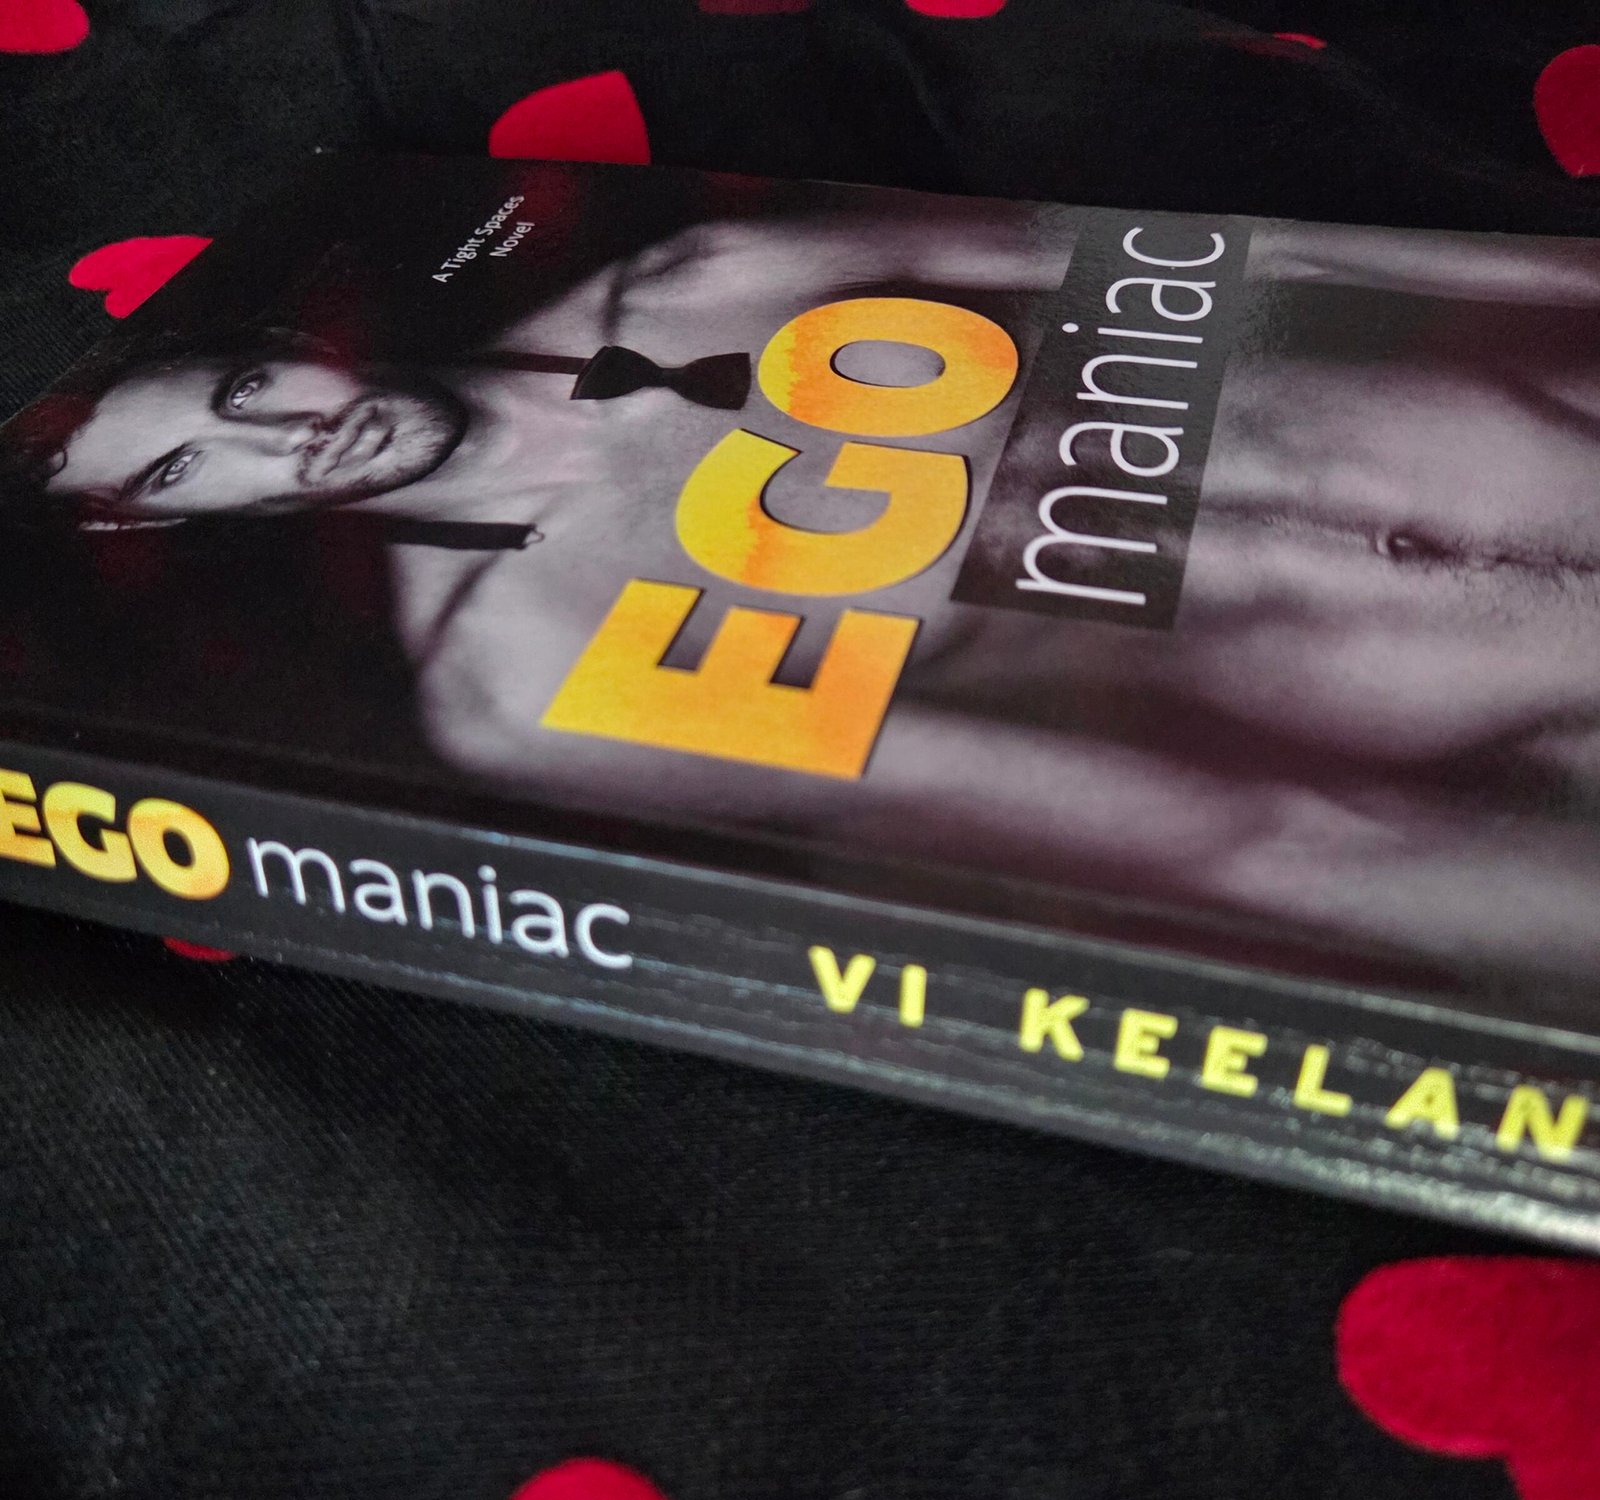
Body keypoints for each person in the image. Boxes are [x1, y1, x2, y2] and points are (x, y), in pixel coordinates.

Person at [15, 200, 1600, 988]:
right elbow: (1246, 845)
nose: (284, 440)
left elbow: (1272, 264)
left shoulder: (709, 276)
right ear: (177, 528)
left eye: (241, 388)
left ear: (287, 343)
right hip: (1504, 716)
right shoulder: (526, 679)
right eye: (191, 470)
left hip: (1542, 422)